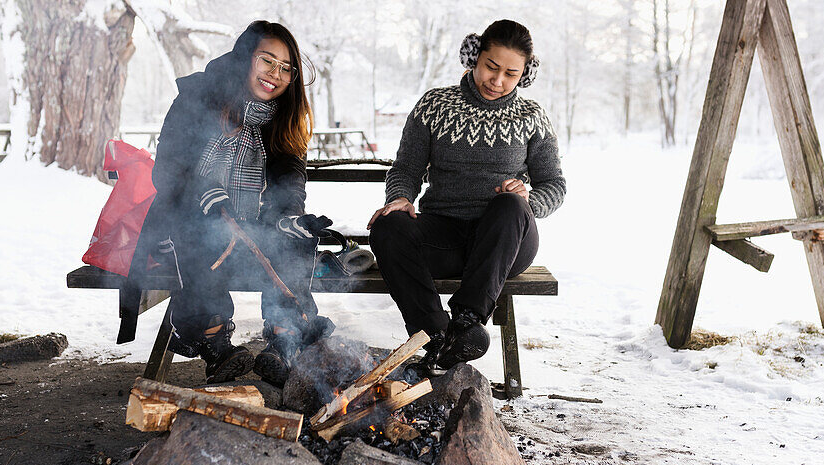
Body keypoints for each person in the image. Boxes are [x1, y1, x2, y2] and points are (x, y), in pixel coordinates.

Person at [137, 21, 333, 386]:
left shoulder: (282, 120)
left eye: (286, 68)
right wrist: (204, 192)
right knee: (200, 231)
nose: (276, 74)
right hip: (188, 218)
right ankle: (214, 342)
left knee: (295, 238)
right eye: (267, 61)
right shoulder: (198, 98)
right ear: (245, 58)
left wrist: (288, 217)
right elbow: (168, 167)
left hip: (249, 227)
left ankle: (284, 339)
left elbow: (289, 178)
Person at [368, 19, 566, 374]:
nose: (498, 80)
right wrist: (400, 197)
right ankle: (436, 335)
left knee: (508, 204)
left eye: (511, 73)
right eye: (491, 67)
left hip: (505, 242)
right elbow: (406, 169)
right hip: (445, 236)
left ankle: (467, 321)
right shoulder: (435, 105)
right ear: (474, 57)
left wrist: (528, 200)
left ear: (526, 74)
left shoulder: (532, 116)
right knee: (387, 226)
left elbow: (554, 184)